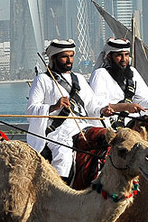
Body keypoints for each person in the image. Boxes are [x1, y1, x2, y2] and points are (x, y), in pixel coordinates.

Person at [26, 39, 103, 182]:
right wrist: (54, 107)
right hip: (57, 131)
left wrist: (105, 109)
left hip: (83, 126)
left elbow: (93, 105)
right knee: (64, 156)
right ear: (54, 58)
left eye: (71, 56)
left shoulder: (79, 78)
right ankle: (60, 190)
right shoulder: (42, 80)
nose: (69, 60)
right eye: (64, 56)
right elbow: (31, 110)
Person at [89, 38, 148, 127]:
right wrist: (125, 107)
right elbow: (98, 105)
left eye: (126, 55)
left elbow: (141, 99)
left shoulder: (133, 72)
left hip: (135, 123)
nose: (124, 59)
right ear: (109, 57)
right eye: (119, 55)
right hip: (112, 125)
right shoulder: (100, 74)